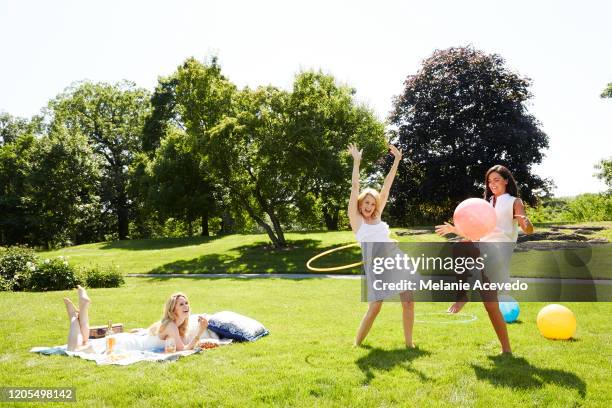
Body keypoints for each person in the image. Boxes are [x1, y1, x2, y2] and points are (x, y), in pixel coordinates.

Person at [435, 165, 534, 354]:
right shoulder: (486, 202)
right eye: (490, 181)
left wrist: (526, 222)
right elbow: (477, 232)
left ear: (506, 180)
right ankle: (507, 350)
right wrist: (454, 230)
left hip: (499, 251)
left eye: (497, 179)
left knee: (464, 248)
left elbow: (527, 228)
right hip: (485, 248)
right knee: (490, 305)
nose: (492, 183)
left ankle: (463, 296)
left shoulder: (514, 201)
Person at [348, 143, 415, 348]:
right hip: (376, 265)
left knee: (408, 301)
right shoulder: (356, 220)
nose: (369, 206)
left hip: (395, 259)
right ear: (360, 204)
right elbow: (355, 186)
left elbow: (386, 187)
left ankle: (409, 345)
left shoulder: (377, 216)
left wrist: (396, 161)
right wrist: (357, 162)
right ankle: (358, 343)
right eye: (365, 203)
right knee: (376, 306)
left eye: (372, 203)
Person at [62, 288, 209, 352]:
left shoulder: (173, 324)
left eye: (186, 303)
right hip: (127, 346)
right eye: (181, 304)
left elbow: (175, 341)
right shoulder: (171, 326)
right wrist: (201, 331)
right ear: (173, 309)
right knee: (75, 349)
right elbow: (182, 349)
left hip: (131, 340)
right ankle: (74, 317)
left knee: (85, 342)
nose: (186, 306)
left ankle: (82, 309)